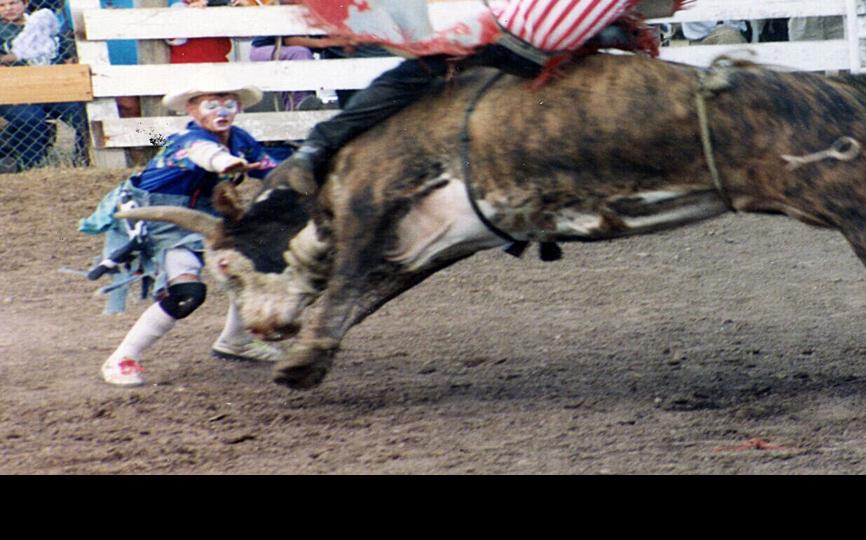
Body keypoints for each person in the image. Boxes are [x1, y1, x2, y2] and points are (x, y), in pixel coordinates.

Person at [268, 0, 680, 193]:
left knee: (414, 76)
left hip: (525, 40)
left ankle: (317, 147)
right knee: (420, 75)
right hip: (522, 39)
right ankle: (319, 147)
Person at [87, 83, 282, 386]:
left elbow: (270, 167)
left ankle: (236, 340)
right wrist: (229, 164)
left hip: (206, 216)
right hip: (164, 219)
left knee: (255, 268)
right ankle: (121, 358)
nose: (221, 111)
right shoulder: (191, 140)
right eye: (211, 104)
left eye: (228, 103)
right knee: (186, 295)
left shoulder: (239, 140)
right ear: (191, 109)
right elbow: (207, 155)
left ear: (238, 108)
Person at [1, 0, 88, 169]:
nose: (8, 9)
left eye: (13, 3)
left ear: (25, 4)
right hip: (15, 92)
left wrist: (69, 62)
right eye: (2, 5)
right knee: (30, 118)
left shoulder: (45, 23)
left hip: (52, 87)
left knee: (81, 113)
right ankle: (28, 164)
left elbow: (66, 53)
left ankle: (83, 158)